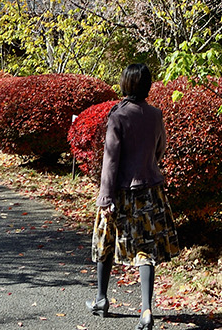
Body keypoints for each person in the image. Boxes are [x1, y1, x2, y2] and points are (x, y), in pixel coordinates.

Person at [90, 63, 176, 323]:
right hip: (151, 191)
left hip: (121, 193)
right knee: (146, 250)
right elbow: (160, 149)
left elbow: (110, 161)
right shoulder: (155, 114)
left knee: (104, 242)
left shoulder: (118, 116)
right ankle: (147, 310)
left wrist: (105, 198)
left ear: (125, 84)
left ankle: (101, 299)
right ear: (147, 85)